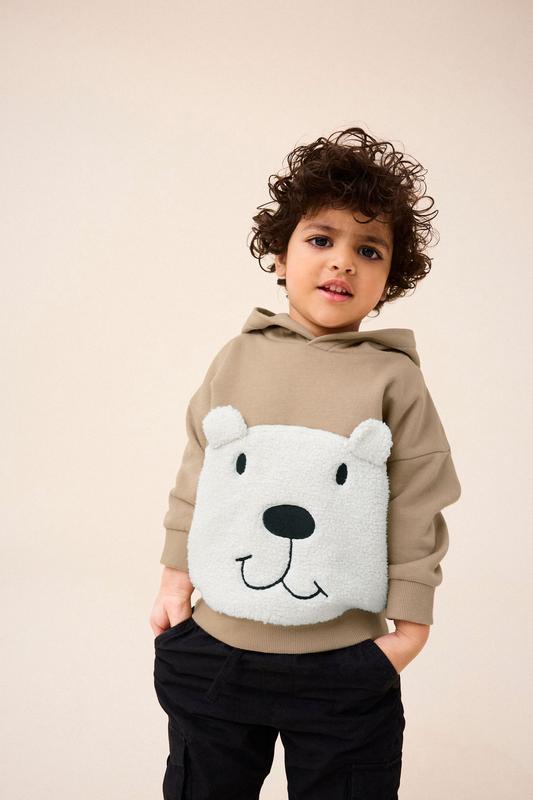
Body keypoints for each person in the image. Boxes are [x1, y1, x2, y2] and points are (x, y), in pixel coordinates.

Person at [150, 126, 462, 800]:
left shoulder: (394, 378)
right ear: (280, 255)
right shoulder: (237, 356)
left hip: (340, 661)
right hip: (217, 649)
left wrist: (410, 628)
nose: (342, 262)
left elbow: (417, 496)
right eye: (321, 239)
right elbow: (199, 468)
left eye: (368, 250)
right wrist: (175, 576)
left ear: (390, 278)